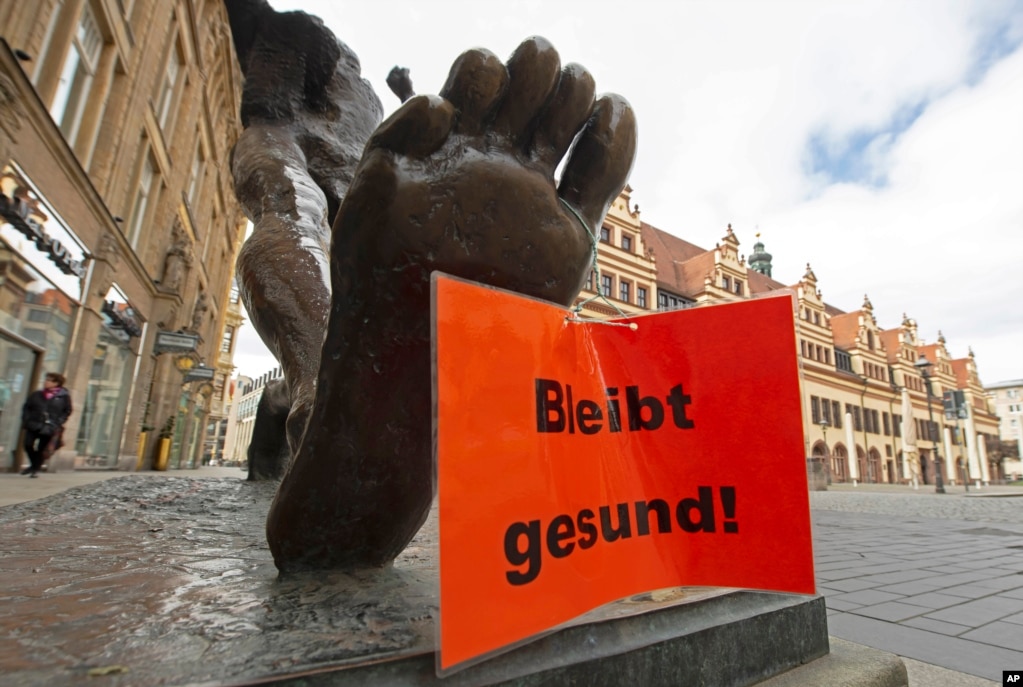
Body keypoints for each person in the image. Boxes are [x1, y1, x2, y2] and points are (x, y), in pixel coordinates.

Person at [21, 372, 72, 477]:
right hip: (33, 423)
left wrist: (58, 422)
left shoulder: (64, 397)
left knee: (41, 448)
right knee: (27, 444)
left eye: (49, 380)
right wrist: (26, 420)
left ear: (56, 383)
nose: (46, 382)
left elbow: (67, 411)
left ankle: (35, 469)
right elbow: (27, 407)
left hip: (50, 426)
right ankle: (34, 465)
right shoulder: (37, 394)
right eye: (46, 379)